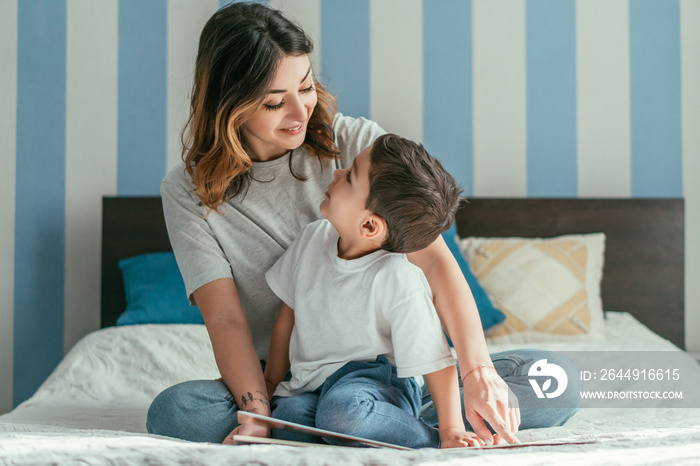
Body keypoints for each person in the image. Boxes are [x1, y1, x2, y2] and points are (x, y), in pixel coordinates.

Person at [147, 1, 580, 445]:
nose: (301, 114)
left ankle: (393, 419)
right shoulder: (187, 191)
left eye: (306, 86)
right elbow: (226, 320)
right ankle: (351, 423)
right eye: (276, 102)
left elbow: (433, 261)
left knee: (558, 380)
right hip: (291, 382)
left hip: (393, 371)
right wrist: (257, 408)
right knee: (176, 411)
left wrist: (478, 371)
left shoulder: (354, 142)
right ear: (229, 105)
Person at [263, 134, 477, 448]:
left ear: (369, 227)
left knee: (343, 413)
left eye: (349, 176)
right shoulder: (311, 239)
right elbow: (288, 317)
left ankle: (426, 438)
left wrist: (451, 430)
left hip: (375, 382)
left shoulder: (398, 277)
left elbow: (435, 358)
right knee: (286, 422)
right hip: (313, 385)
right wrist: (268, 383)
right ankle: (360, 436)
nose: (337, 173)